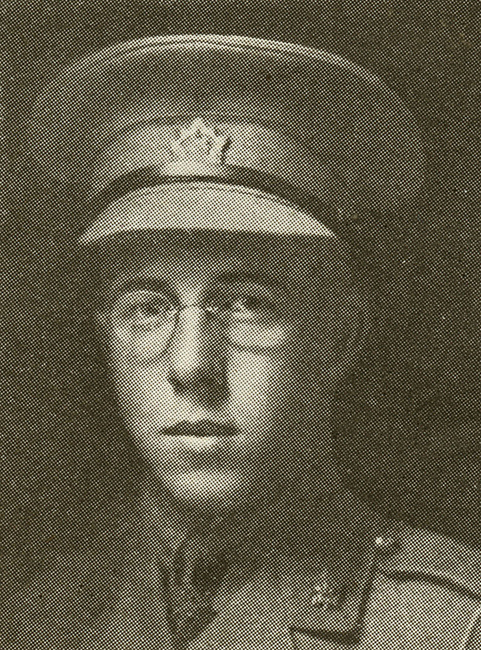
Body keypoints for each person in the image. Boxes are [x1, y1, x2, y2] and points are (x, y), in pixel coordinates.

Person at [3, 34, 481, 649]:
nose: (191, 367)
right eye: (148, 308)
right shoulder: (36, 618)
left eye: (247, 304)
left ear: (341, 334)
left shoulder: (441, 626)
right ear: (101, 329)